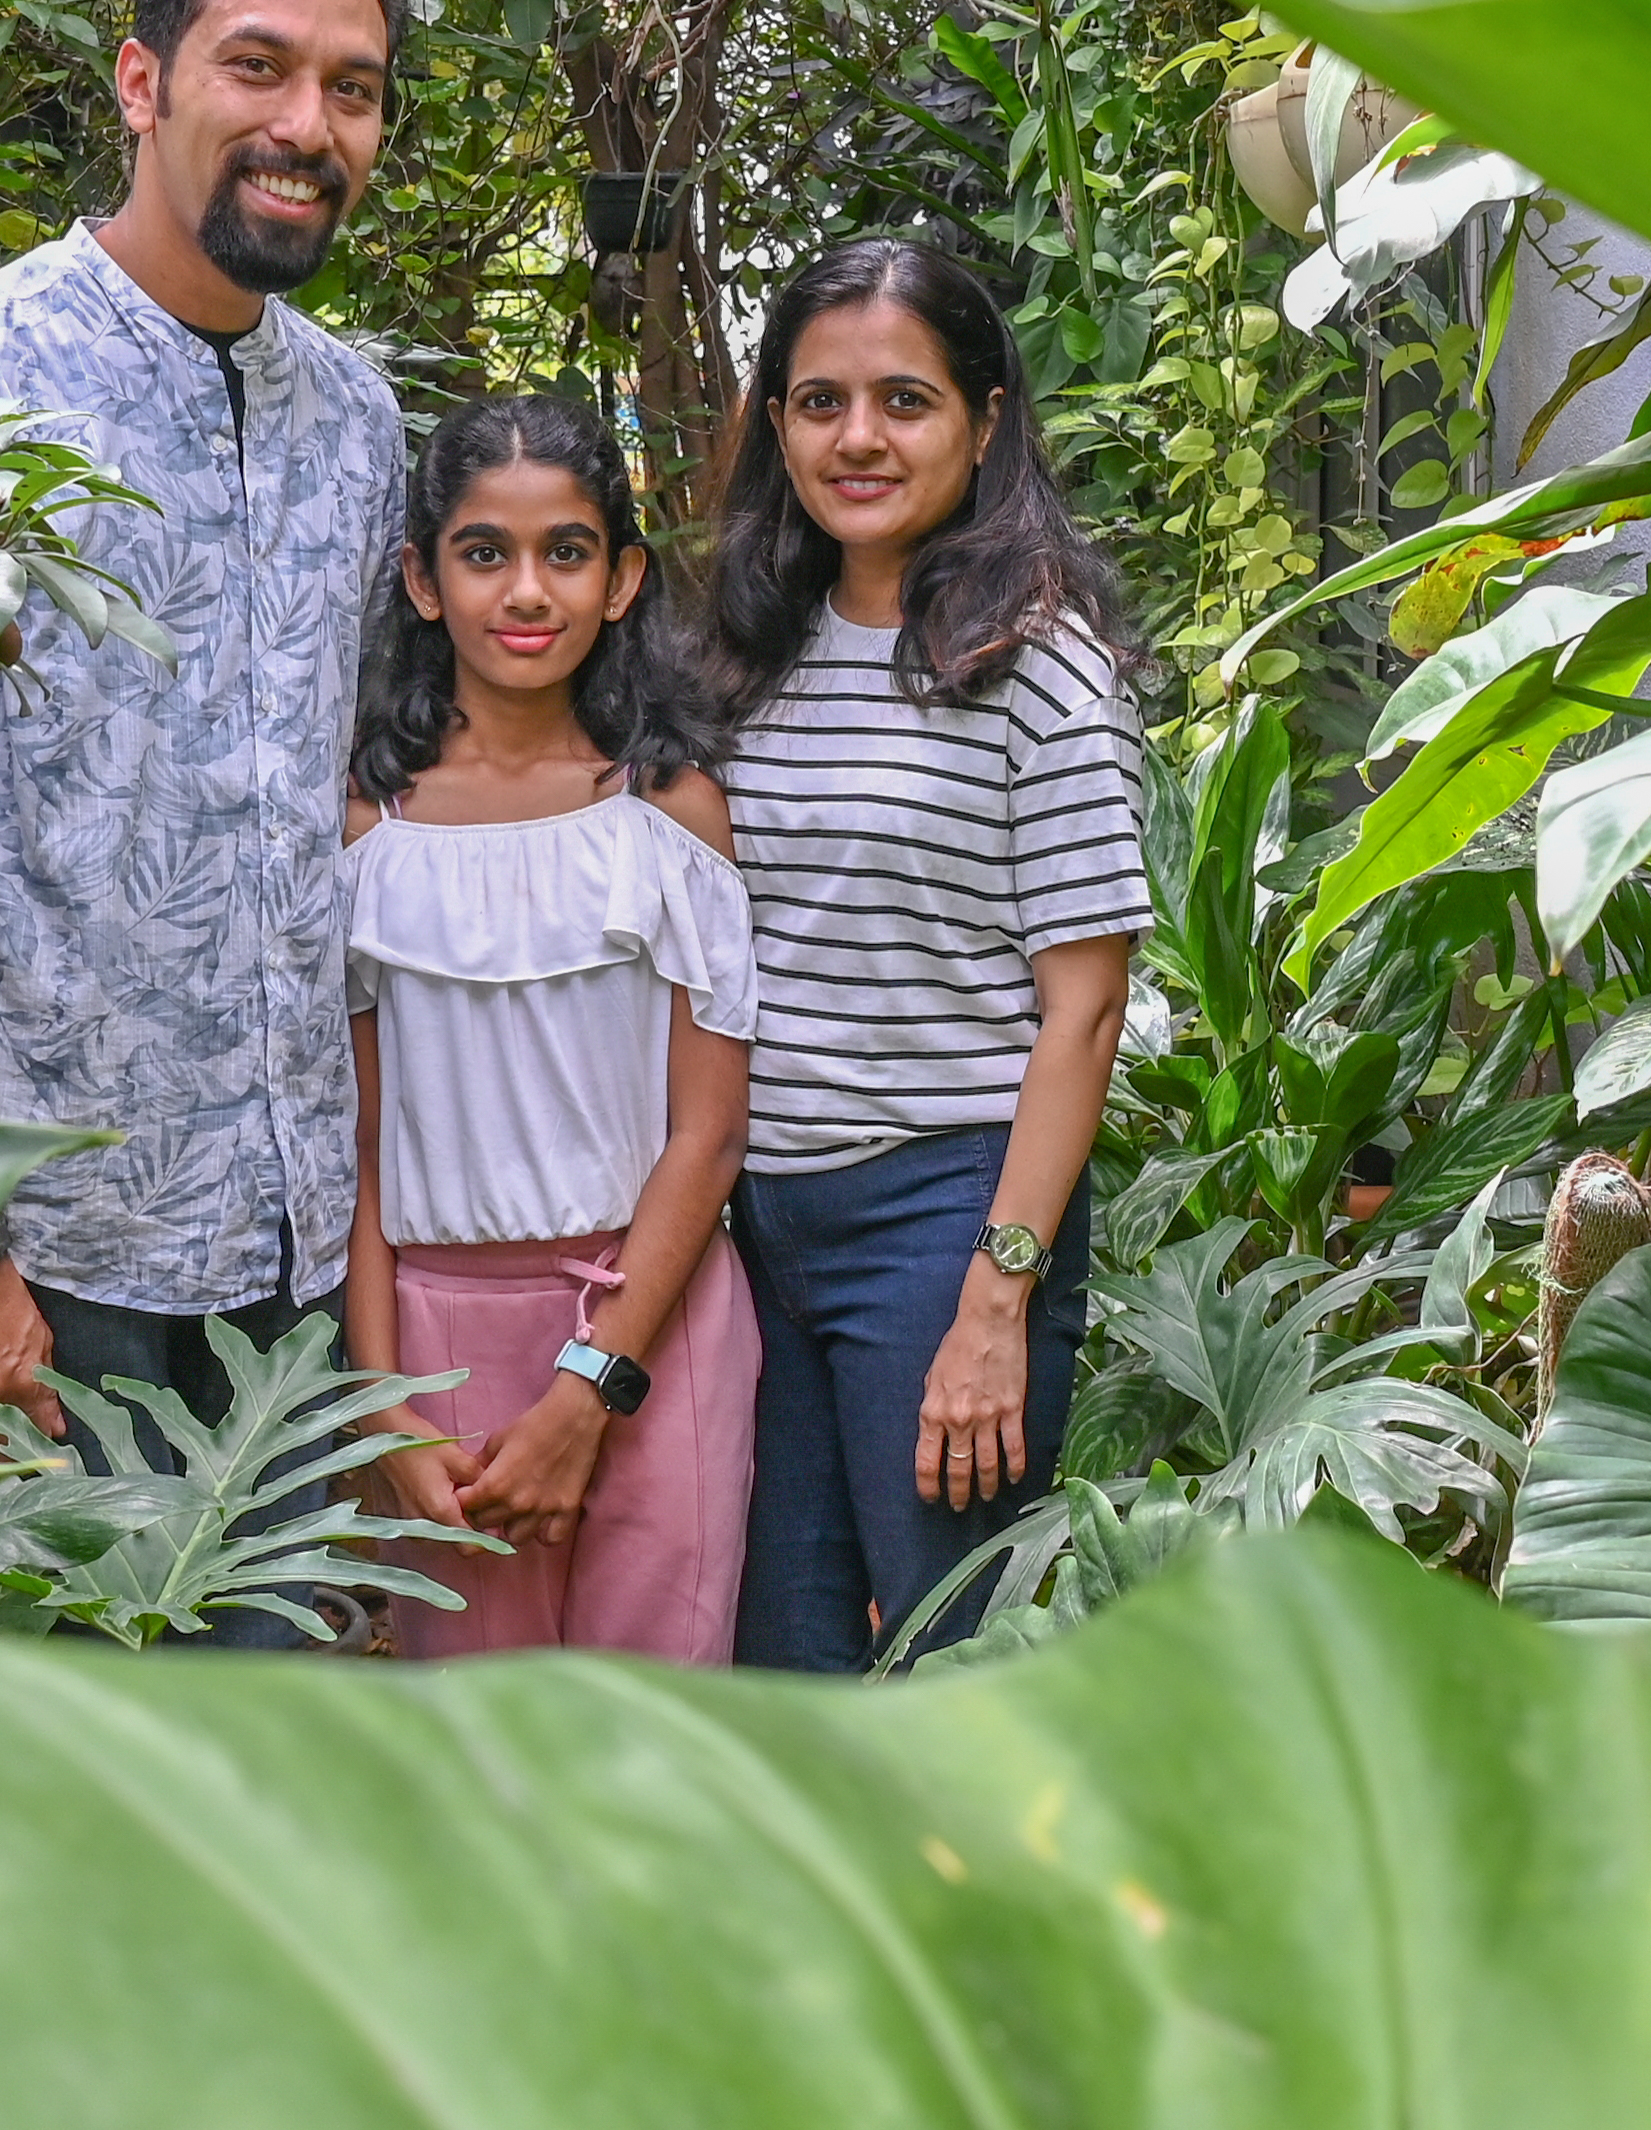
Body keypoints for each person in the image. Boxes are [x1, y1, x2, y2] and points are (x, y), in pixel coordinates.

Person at [0, 0, 408, 1643]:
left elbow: (336, 799)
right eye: (260, 67)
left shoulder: (358, 421)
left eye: (355, 91)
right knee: (71, 1827)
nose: (309, 127)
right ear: (141, 81)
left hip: (292, 1257)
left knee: (266, 1805)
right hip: (53, 1270)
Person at [708, 238, 1146, 1671]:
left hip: (943, 1215)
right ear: (775, 421)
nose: (859, 437)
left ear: (985, 418)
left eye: (905, 400)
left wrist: (994, 1294)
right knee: (791, 1662)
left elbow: (1083, 1013)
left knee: (961, 1667)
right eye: (819, 400)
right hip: (761, 1230)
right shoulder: (748, 647)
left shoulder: (1041, 662)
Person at [339, 394, 756, 1661]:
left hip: (650, 1327)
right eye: (485, 552)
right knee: (479, 1771)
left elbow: (709, 1135)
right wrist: (379, 1405)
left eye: (566, 551)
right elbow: (352, 1147)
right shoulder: (370, 828)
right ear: (423, 579)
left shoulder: (671, 808)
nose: (528, 591)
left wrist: (594, 1386)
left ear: (624, 578)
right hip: (432, 1348)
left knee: (653, 1747)